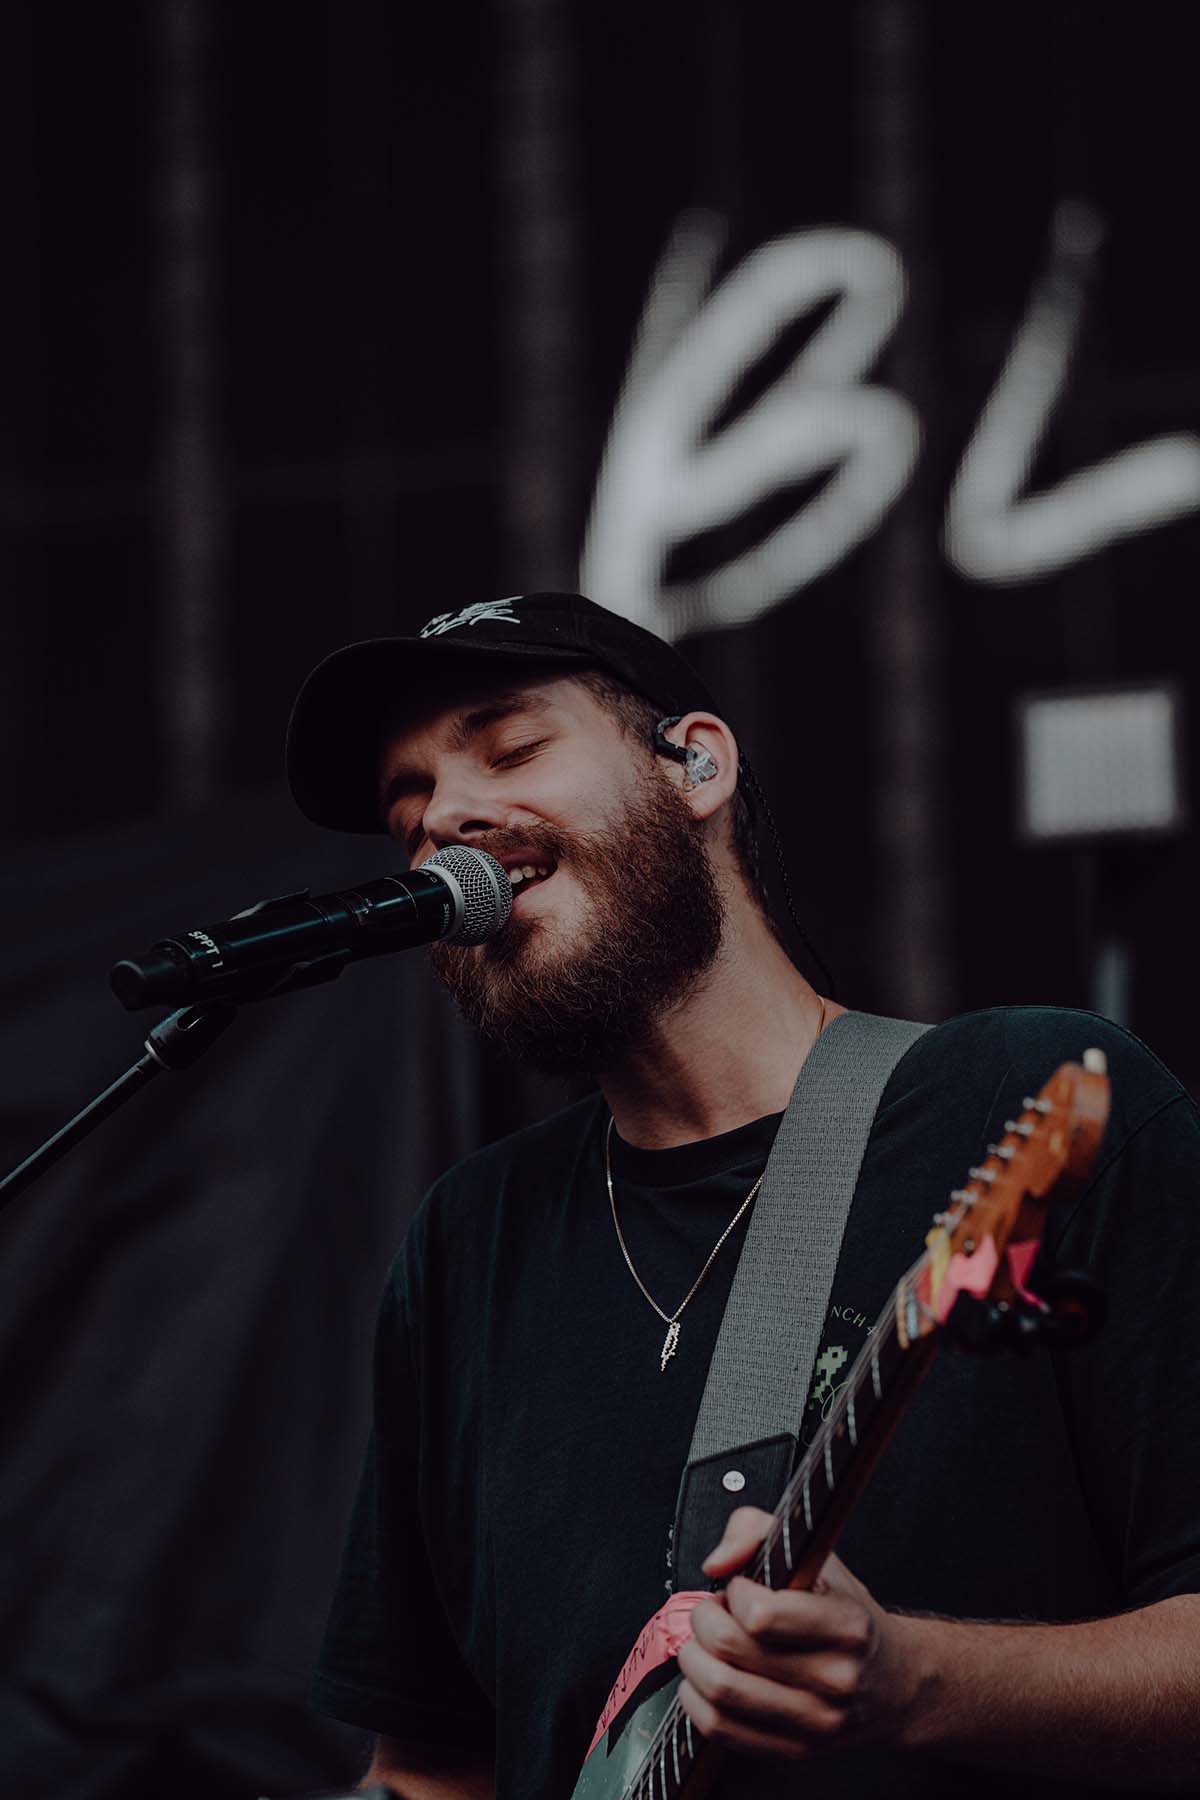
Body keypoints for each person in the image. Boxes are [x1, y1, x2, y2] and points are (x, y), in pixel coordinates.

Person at [286, 592, 1200, 1800]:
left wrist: (918, 1681)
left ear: (698, 766)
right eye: (410, 814)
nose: (443, 822)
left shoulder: (1023, 1098)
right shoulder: (469, 1240)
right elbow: (430, 1768)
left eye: (510, 750)